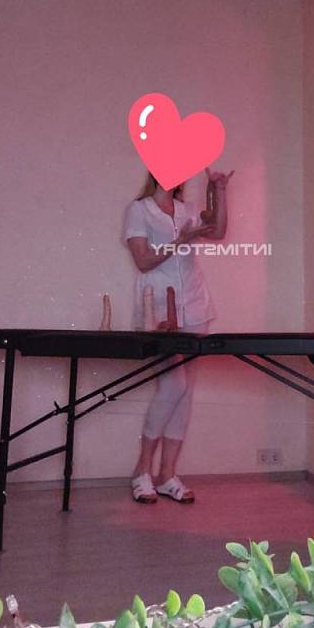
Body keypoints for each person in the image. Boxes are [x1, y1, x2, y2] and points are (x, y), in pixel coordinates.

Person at [123, 168, 233, 503]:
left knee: (185, 393)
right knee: (174, 385)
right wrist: (180, 241)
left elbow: (219, 232)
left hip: (195, 306)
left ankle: (167, 475)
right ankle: (142, 468)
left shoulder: (187, 210)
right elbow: (143, 261)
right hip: (158, 309)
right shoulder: (139, 210)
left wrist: (219, 189)